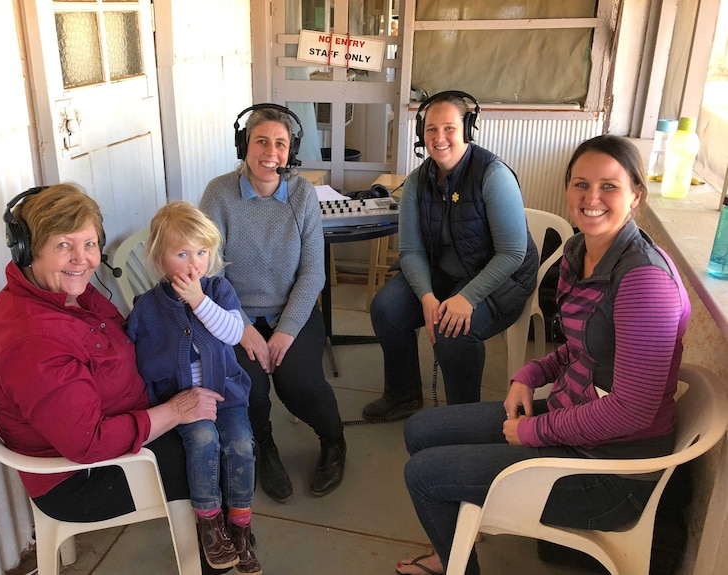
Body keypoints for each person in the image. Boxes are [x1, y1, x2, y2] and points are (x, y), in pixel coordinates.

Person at [394, 135, 691, 575]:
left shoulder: (645, 282)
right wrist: (530, 374)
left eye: (609, 186)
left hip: (611, 474)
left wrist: (535, 430)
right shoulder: (580, 252)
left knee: (423, 475)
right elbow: (577, 349)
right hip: (572, 422)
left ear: (636, 196)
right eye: (580, 184)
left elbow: (632, 411)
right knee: (420, 429)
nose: (592, 198)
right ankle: (455, 545)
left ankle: (456, 565)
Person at [0, 184, 231, 575]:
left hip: (114, 435)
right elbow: (87, 442)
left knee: (217, 425)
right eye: (63, 245)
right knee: (214, 452)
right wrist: (176, 410)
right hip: (80, 479)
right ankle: (215, 560)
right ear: (27, 250)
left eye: (89, 244)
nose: (82, 259)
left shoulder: (70, 296)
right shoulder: (33, 341)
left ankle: (218, 535)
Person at [362, 90, 539, 422]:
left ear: (467, 131)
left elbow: (512, 253)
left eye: (449, 129)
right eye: (431, 129)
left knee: (452, 329)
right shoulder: (417, 181)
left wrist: (467, 297)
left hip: (502, 277)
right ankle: (403, 395)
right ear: (421, 133)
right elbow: (411, 250)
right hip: (446, 272)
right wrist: (427, 297)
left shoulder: (493, 175)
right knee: (386, 308)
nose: (439, 138)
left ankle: (462, 417)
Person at [199, 103, 346, 503]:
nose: (270, 152)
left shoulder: (302, 194)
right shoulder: (219, 193)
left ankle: (334, 441)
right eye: (261, 140)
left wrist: (284, 331)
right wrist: (242, 327)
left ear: (290, 151)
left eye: (280, 143)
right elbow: (210, 273)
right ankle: (264, 449)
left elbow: (313, 272)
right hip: (234, 313)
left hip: (289, 311)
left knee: (300, 381)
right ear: (243, 144)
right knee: (252, 386)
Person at [126, 201, 260, 574]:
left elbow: (234, 332)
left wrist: (199, 301)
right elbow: (131, 355)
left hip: (227, 396)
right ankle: (210, 523)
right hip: (182, 403)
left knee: (240, 445)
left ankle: (241, 525)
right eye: (181, 253)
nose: (193, 263)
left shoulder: (218, 290)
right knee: (202, 442)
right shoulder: (148, 307)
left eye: (201, 252)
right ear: (159, 258)